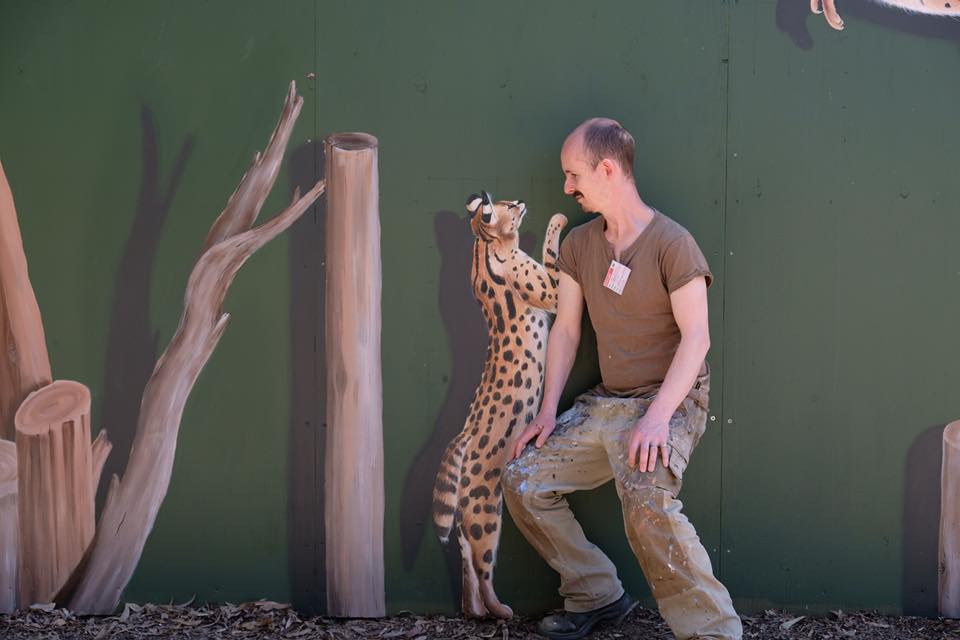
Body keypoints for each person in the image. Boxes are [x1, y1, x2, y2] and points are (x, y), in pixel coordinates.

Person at [502, 118, 742, 640]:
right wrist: (547, 411)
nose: (567, 187)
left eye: (574, 175)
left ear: (607, 170)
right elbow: (567, 330)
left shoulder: (673, 244)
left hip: (669, 402)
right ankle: (596, 595)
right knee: (522, 479)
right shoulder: (580, 245)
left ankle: (715, 632)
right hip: (606, 402)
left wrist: (657, 419)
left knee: (647, 500)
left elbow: (697, 339)